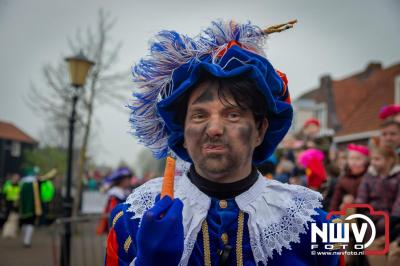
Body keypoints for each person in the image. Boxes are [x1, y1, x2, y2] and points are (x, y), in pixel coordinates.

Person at [106, 20, 340, 266]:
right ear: (182, 133)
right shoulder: (131, 219)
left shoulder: (318, 224)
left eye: (233, 114)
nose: (214, 129)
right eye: (199, 115)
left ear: (260, 130)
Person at [355, 145, 400, 266]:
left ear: (389, 159)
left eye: (377, 159)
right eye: (372, 159)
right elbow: (361, 198)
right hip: (373, 218)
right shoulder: (369, 177)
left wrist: (390, 220)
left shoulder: (397, 176)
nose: (373, 162)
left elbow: (398, 203)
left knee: (393, 254)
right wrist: (364, 213)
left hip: (394, 221)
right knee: (371, 248)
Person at [329, 144, 369, 212]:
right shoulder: (344, 178)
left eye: (358, 159)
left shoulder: (369, 177)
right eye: (351, 159)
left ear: (366, 161)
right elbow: (335, 200)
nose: (354, 162)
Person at [97, 167, 132, 235]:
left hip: (125, 224)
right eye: (127, 179)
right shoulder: (114, 194)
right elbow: (112, 212)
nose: (129, 181)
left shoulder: (126, 192)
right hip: (117, 225)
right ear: (121, 181)